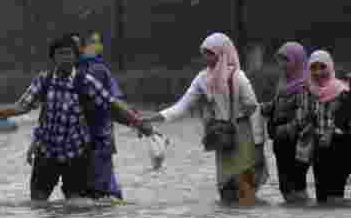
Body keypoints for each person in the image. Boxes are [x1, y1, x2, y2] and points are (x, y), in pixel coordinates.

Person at [0, 35, 149, 202]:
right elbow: (21, 106)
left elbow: (112, 104)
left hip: (76, 153)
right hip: (47, 152)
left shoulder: (86, 82)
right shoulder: (44, 80)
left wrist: (138, 122)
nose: (65, 58)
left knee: (76, 205)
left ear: (76, 56)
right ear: (53, 58)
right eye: (60, 54)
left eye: (69, 54)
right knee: (38, 203)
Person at [141, 33, 267, 206]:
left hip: (244, 135)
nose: (206, 57)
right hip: (222, 137)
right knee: (226, 191)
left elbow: (253, 108)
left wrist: (259, 141)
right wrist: (153, 118)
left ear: (222, 53)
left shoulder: (238, 77)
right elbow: (181, 107)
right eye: (204, 53)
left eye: (211, 53)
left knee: (246, 190)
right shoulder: (202, 79)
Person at [77, 31, 129, 200]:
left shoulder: (100, 69)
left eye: (98, 42)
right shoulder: (71, 71)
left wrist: (136, 121)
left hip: (100, 136)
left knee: (102, 185)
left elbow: (115, 104)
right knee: (87, 187)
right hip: (78, 139)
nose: (96, 46)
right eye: (92, 42)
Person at [259, 41, 310, 203]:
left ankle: (302, 217)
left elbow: (303, 118)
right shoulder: (283, 83)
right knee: (285, 188)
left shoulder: (304, 86)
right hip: (281, 142)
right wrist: (262, 108)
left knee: (296, 185)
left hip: (296, 143)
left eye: (286, 60)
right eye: (279, 60)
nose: (281, 64)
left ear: (297, 61)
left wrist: (284, 130)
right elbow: (275, 105)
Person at [298, 50, 351, 203]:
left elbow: (345, 121)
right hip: (318, 146)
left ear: (330, 67)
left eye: (322, 67)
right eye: (313, 68)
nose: (318, 72)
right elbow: (303, 118)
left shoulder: (342, 91)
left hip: (340, 146)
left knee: (335, 196)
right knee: (321, 198)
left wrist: (330, 131)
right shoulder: (307, 89)